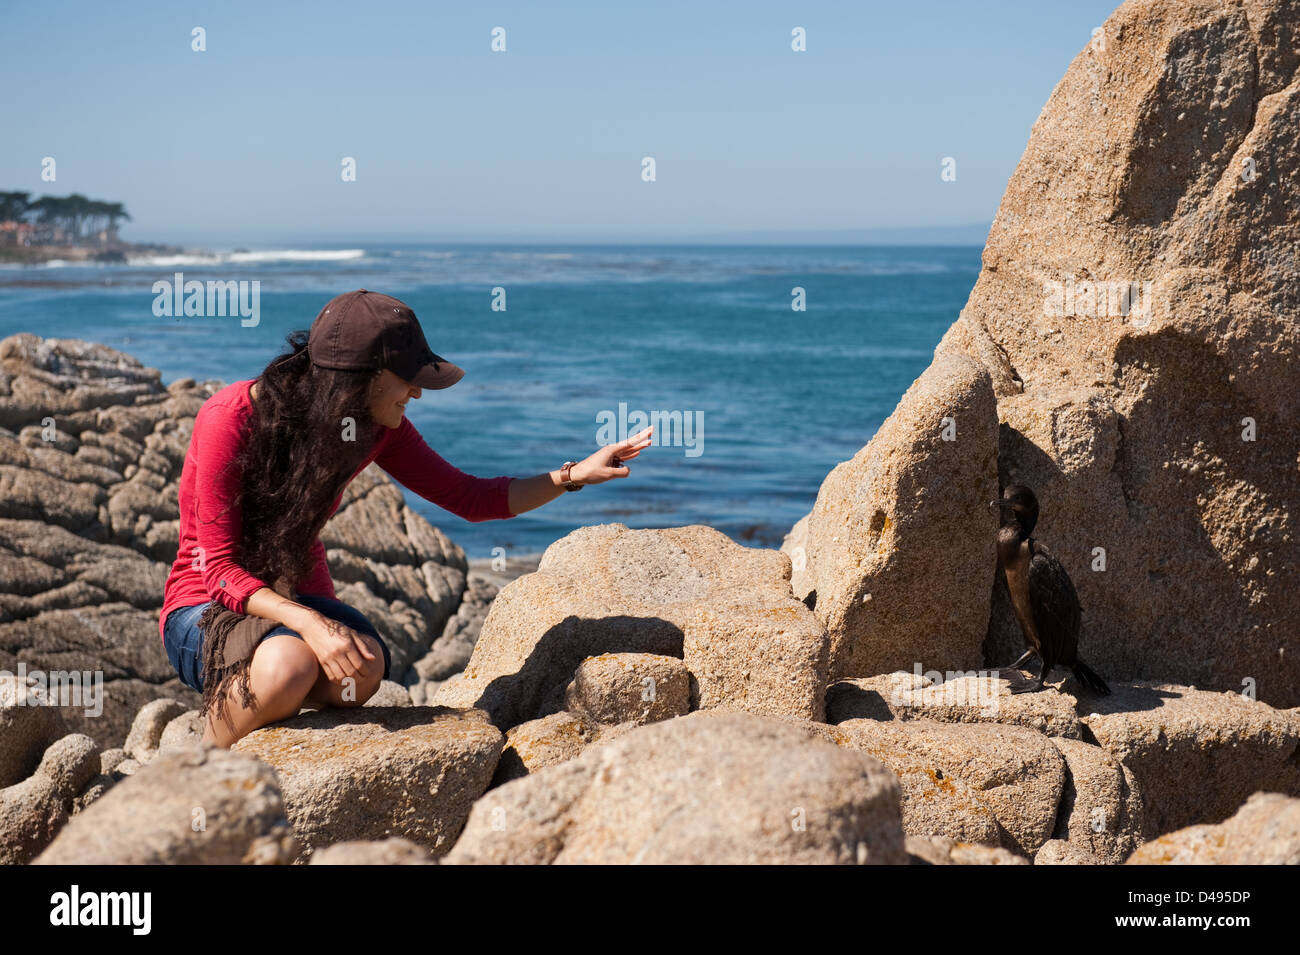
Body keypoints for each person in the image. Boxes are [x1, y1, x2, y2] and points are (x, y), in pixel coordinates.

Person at [159, 289, 652, 747]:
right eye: (408, 379)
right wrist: (311, 624)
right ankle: (200, 764)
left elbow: (470, 498)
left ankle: (271, 697)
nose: (417, 393)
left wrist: (574, 475)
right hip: (206, 607)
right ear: (360, 377)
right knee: (290, 666)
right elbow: (218, 568)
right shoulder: (231, 417)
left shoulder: (376, 427)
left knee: (363, 671)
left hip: (295, 599)